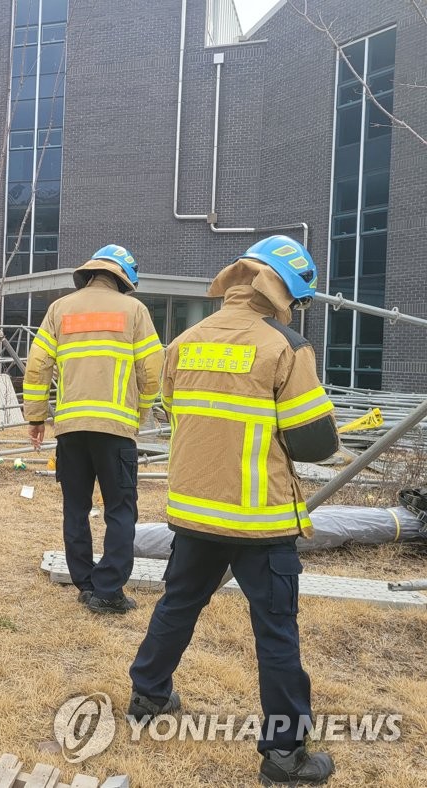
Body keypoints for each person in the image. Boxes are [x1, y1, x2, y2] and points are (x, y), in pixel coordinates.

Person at [127, 236, 338, 785]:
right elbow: (316, 444)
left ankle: (148, 697)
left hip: (195, 512)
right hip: (259, 521)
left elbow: (180, 415)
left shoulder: (186, 341)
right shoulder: (285, 347)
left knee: (177, 605)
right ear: (286, 292)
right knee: (275, 633)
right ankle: (285, 755)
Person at [22, 244, 163, 615]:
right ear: (124, 279)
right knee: (120, 510)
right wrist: (140, 412)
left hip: (70, 428)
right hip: (116, 429)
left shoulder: (59, 310)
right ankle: (108, 590)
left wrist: (36, 418)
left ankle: (85, 582)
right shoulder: (134, 311)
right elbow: (152, 371)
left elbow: (37, 367)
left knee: (76, 507)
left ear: (89, 273)